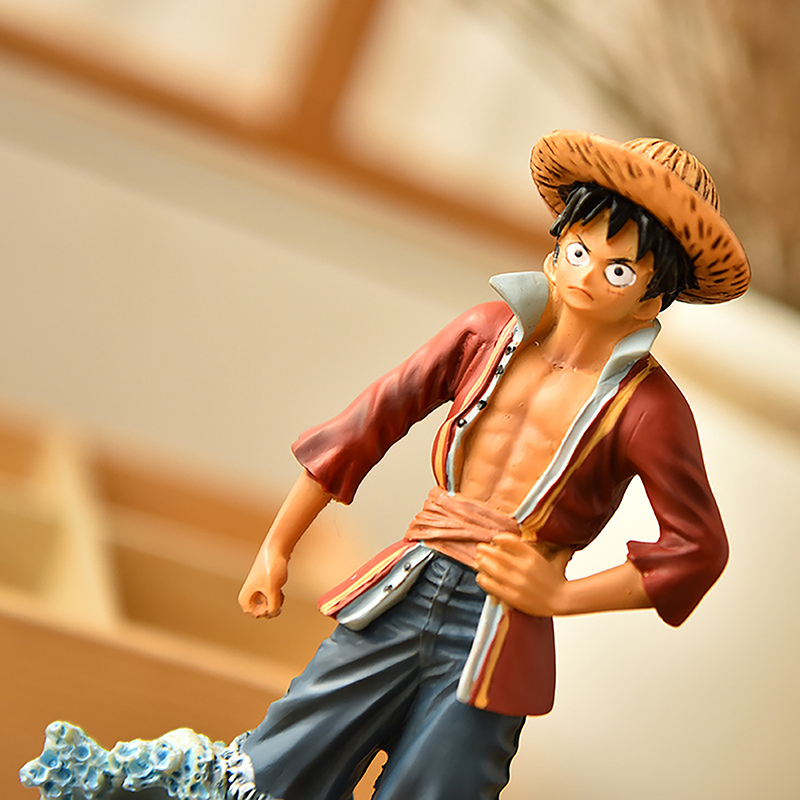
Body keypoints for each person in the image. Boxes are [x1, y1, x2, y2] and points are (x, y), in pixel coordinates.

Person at [20, 131, 750, 800]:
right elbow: (366, 424)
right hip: (404, 586)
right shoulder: (486, 333)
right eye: (580, 250)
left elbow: (696, 548)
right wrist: (278, 544)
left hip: (496, 630)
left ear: (655, 297)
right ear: (557, 248)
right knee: (278, 766)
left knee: (439, 786)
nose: (587, 275)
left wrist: (560, 595)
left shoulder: (648, 408)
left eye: (618, 269)